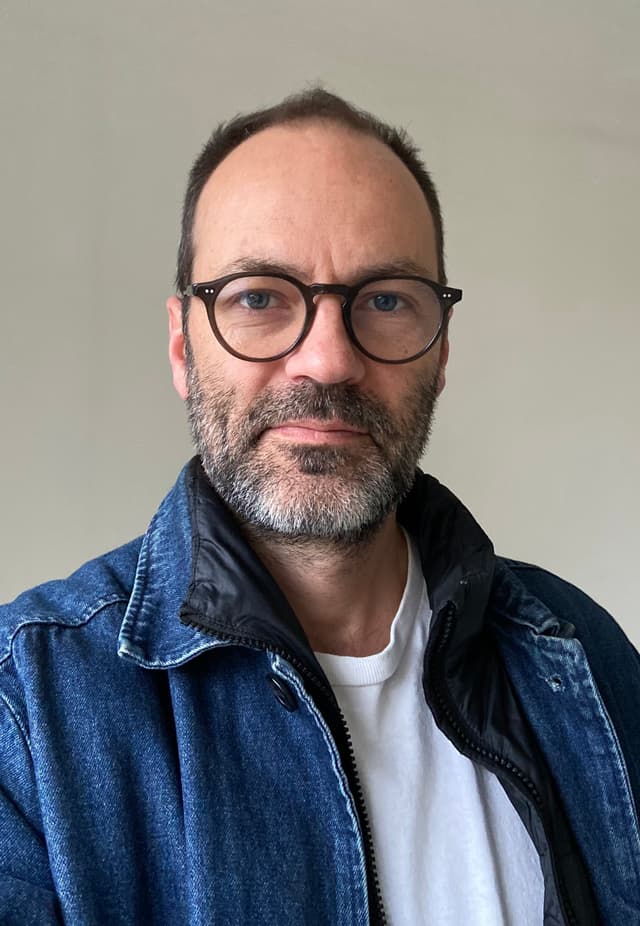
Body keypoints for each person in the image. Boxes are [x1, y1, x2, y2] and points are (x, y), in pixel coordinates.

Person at [0, 88, 638, 926]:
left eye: (384, 299)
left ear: (439, 352)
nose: (328, 361)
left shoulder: (581, 654)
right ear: (182, 345)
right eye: (259, 298)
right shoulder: (26, 711)